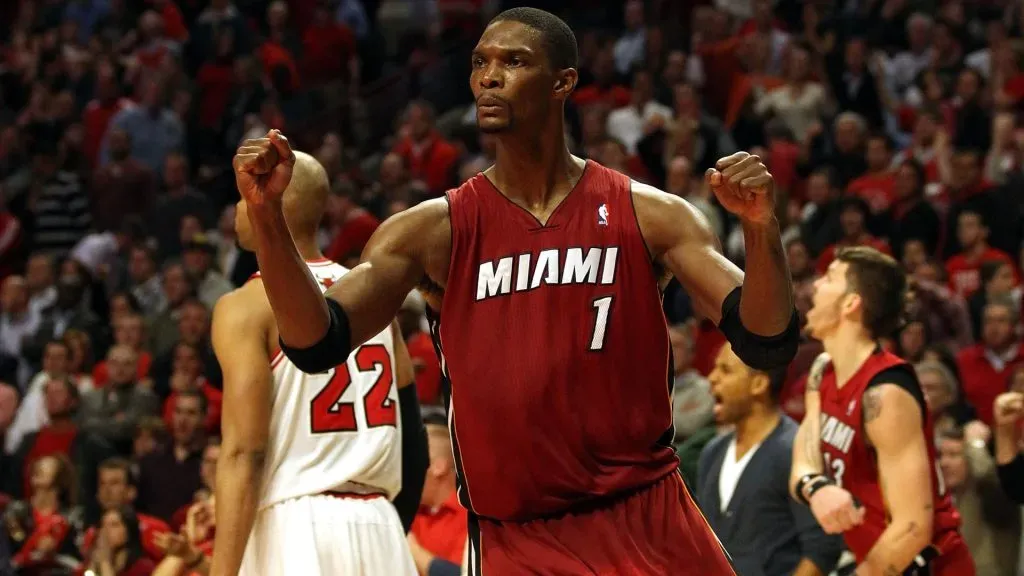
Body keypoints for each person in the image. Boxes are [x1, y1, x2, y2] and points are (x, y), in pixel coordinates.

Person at [234, 8, 797, 573]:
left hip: (646, 517)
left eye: (514, 61)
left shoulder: (649, 214)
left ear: (563, 82)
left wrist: (758, 225)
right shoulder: (433, 231)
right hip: (519, 540)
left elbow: (766, 337)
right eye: (480, 63)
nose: (488, 77)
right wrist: (266, 219)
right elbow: (315, 341)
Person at [209, 151, 426, 576]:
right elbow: (414, 445)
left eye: (239, 195)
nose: (235, 206)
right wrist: (385, 531)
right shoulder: (370, 294)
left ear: (269, 199)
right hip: (380, 525)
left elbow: (243, 453)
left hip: (295, 526)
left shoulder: (245, 306)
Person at [790, 246, 975, 575]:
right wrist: (815, 487)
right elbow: (804, 457)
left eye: (830, 277)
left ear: (851, 303)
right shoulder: (822, 370)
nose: (815, 285)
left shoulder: (885, 393)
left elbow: (912, 529)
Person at [699, 342, 842, 576]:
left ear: (759, 383)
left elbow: (821, 551)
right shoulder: (711, 453)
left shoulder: (795, 451)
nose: (712, 378)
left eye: (725, 370)